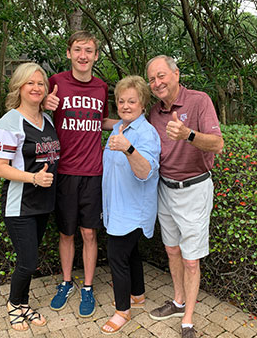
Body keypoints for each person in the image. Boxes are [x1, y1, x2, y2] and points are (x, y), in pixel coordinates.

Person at [146, 55, 224, 338]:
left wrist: (188, 134)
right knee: (172, 250)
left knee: (192, 260)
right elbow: (133, 124)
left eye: (162, 75)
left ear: (176, 74)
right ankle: (178, 302)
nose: (157, 82)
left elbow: (218, 144)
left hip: (194, 189)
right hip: (164, 189)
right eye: (152, 79)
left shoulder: (199, 100)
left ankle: (188, 319)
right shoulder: (154, 112)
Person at [44, 31, 117, 317]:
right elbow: (35, 109)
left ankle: (87, 286)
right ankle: (66, 282)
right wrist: (43, 105)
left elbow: (102, 122)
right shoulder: (56, 82)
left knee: (88, 232)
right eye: (78, 50)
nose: (83, 55)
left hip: (93, 173)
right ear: (69, 53)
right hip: (64, 172)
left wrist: (131, 118)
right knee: (66, 232)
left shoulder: (101, 88)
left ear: (96, 55)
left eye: (89, 50)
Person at [0, 62, 60, 331]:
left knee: (29, 259)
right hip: (19, 205)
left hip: (43, 203)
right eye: (29, 82)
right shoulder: (9, 121)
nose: (35, 87)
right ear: (19, 87)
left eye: (40, 83)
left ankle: (23, 304)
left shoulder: (48, 120)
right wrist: (33, 178)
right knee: (28, 261)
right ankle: (13, 304)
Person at [101, 76, 161, 334]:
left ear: (143, 103)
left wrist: (129, 149)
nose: (125, 105)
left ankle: (122, 310)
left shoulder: (146, 133)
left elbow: (145, 172)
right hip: (118, 206)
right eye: (121, 101)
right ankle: (137, 295)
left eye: (132, 101)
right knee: (131, 252)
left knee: (117, 257)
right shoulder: (119, 128)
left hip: (132, 210)